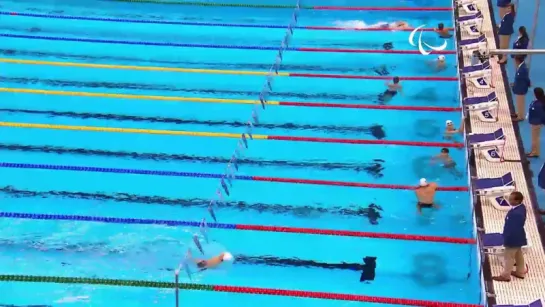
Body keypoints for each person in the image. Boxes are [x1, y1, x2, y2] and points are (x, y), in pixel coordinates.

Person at [492, 191, 527, 282]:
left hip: (513, 239)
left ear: (517, 201)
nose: (509, 200)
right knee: (518, 255)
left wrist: (507, 239)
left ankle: (505, 276)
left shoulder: (516, 213)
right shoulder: (520, 208)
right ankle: (520, 272)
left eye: (511, 199)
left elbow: (514, 229)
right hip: (518, 237)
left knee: (509, 257)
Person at [510, 55, 531, 121]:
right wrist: (514, 84)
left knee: (520, 103)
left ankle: (520, 117)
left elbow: (525, 79)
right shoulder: (521, 67)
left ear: (517, 61)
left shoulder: (523, 69)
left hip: (521, 89)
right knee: (519, 103)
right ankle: (519, 113)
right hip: (519, 87)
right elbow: (520, 79)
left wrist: (528, 84)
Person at [527, 87, 545, 157]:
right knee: (534, 138)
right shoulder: (538, 102)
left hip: (536, 123)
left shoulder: (539, 105)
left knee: (535, 139)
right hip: (534, 122)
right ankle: (534, 151)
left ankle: (535, 152)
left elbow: (541, 115)